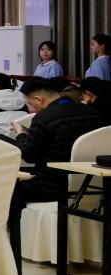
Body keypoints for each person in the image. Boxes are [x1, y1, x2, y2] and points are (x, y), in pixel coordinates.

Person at [8, 77, 106, 249]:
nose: (31, 108)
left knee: (11, 188)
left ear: (39, 99)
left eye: (30, 103)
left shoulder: (43, 118)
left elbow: (29, 155)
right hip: (91, 185)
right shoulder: (92, 113)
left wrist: (20, 134)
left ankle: (16, 245)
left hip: (52, 187)